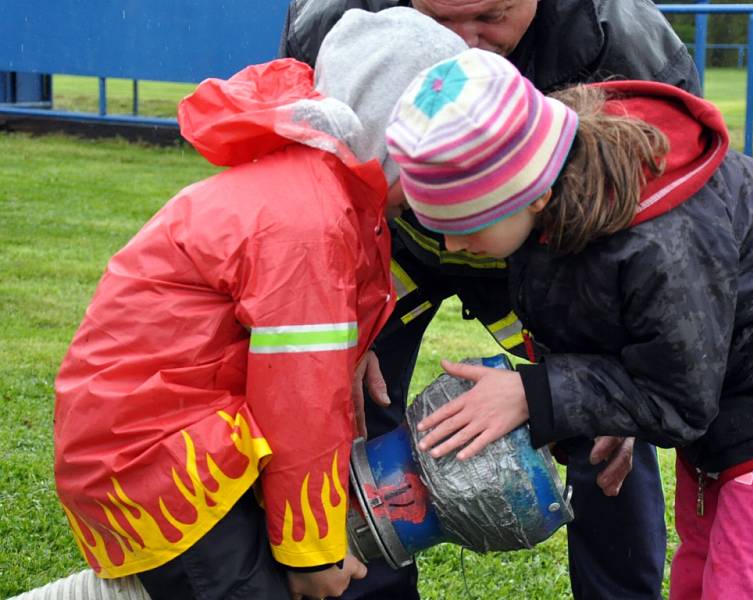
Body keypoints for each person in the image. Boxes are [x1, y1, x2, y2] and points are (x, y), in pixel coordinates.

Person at [280, 1, 700, 598]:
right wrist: (337, 323)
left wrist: (619, 375)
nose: (465, 46)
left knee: (602, 425)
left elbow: (655, 236)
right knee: (348, 405)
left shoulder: (625, 46)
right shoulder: (331, 25)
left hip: (548, 249)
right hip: (393, 240)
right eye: (442, 19)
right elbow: (307, 193)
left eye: (490, 16)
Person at [52, 8, 467, 600]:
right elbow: (301, 401)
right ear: (390, 133)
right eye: (446, 156)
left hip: (163, 451)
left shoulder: (318, 194)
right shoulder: (311, 221)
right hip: (162, 466)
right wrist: (313, 552)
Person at [387, 47, 753, 599]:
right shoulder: (562, 196)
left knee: (749, 585)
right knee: (700, 576)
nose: (455, 246)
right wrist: (602, 402)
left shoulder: (664, 243)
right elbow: (603, 320)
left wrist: (534, 395)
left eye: (467, 225)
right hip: (726, 415)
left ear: (531, 195)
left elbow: (680, 398)